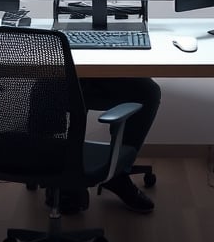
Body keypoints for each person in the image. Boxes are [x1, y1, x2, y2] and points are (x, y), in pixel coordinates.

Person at [63, 75, 161, 214]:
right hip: (63, 73)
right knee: (46, 87)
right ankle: (49, 169)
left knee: (149, 91)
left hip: (108, 75)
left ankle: (118, 172)